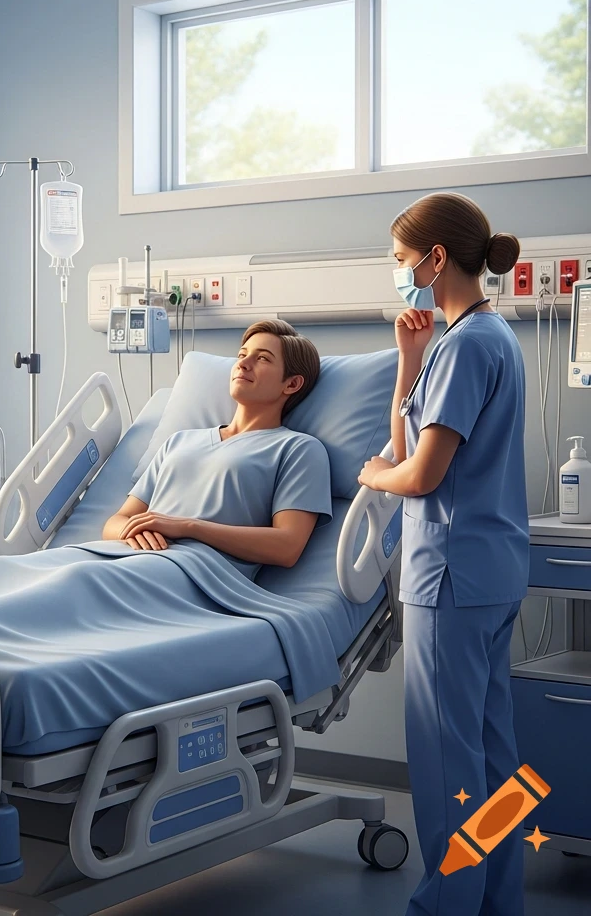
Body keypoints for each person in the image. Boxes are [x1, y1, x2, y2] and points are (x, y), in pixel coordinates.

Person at [357, 192, 526, 916]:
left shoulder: (466, 348)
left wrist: (372, 478)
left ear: (435, 259)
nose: (398, 274)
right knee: (490, 756)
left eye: (401, 261)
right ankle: (496, 900)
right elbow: (413, 443)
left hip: (449, 578)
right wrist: (408, 360)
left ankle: (447, 906)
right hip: (489, 572)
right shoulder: (485, 337)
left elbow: (415, 474)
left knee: (446, 762)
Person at [102, 319, 331, 570]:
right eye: (242, 355)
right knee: (56, 569)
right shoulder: (179, 440)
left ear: (292, 384)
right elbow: (117, 521)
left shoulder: (298, 449)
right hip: (124, 556)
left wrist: (188, 527)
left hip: (191, 571)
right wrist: (134, 531)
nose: (243, 364)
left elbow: (287, 547)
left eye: (262, 359)